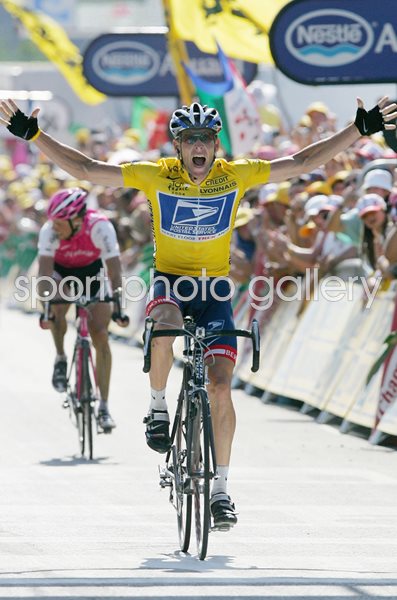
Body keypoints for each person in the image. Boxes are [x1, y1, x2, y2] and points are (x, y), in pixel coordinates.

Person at [1, 96, 396, 530]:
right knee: (166, 324)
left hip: (214, 289)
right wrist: (34, 136)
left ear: (215, 143)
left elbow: (301, 161)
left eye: (206, 137)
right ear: (178, 146)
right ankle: (156, 406)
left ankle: (222, 491)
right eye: (190, 139)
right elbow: (87, 170)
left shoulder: (235, 175)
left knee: (221, 386)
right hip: (170, 280)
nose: (199, 145)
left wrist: (358, 129)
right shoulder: (157, 176)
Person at [37, 187, 129, 432]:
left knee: (100, 334)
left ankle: (104, 407)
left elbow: (115, 270)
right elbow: (44, 273)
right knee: (56, 307)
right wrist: (46, 305)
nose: (54, 227)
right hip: (61, 271)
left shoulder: (100, 227)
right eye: (53, 222)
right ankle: (60, 356)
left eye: (59, 223)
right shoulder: (49, 231)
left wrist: (118, 306)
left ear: (77, 220)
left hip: (93, 273)